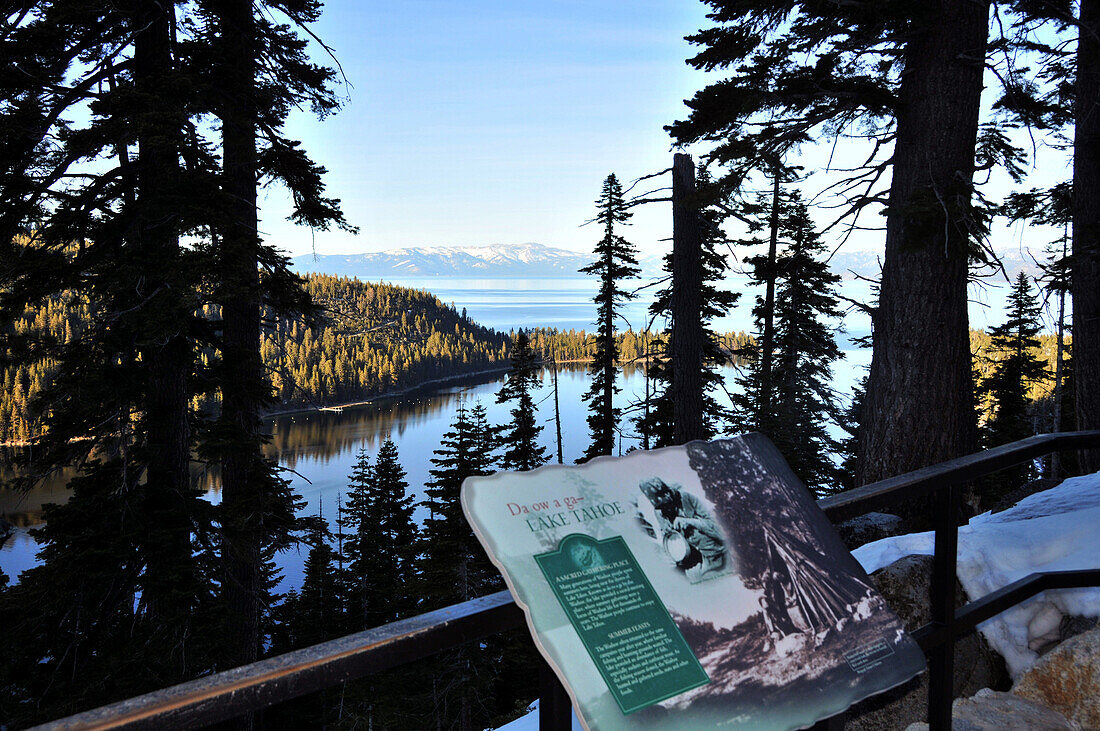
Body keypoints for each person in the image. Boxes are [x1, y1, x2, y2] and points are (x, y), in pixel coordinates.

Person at [638, 477, 727, 582]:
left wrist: (689, 521)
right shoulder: (659, 510)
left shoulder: (689, 498)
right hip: (693, 564)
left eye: (662, 502)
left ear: (667, 493)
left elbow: (721, 531)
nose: (662, 509)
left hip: (718, 557)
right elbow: (667, 542)